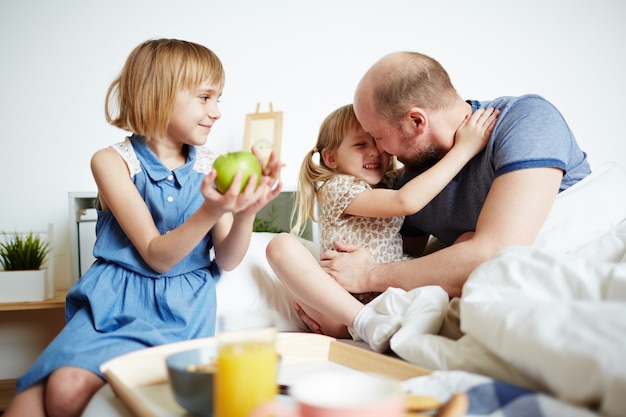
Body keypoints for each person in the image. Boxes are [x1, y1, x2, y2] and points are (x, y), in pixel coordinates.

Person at [4, 39, 282, 417]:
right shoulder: (112, 161)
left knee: (67, 393)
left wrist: (246, 211)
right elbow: (156, 255)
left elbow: (229, 259)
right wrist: (212, 209)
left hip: (181, 309)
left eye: (219, 99)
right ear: (160, 95)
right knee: (47, 394)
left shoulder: (210, 165)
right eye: (205, 97)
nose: (216, 112)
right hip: (112, 302)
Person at [318, 51, 591, 302]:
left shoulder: (524, 120)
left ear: (416, 121)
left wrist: (368, 275)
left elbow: (496, 254)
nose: (379, 151)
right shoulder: (413, 182)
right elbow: (409, 263)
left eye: (378, 136)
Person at [266, 103, 497, 352]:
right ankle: (366, 322)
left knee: (467, 240)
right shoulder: (336, 187)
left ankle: (439, 318)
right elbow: (406, 201)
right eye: (360, 145)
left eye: (378, 142)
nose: (375, 152)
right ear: (331, 158)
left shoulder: (390, 183)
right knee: (281, 245)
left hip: (391, 296)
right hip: (343, 308)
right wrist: (463, 150)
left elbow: (422, 183)